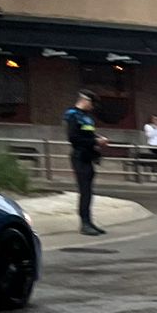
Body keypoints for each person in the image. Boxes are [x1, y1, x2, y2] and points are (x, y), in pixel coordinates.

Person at [64, 89, 104, 237]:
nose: (92, 108)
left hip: (88, 157)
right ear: (85, 101)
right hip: (79, 157)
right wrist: (95, 141)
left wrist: (97, 139)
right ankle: (84, 223)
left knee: (89, 192)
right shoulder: (73, 115)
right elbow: (73, 138)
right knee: (85, 191)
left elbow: (88, 134)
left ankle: (89, 221)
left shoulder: (87, 117)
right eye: (92, 104)